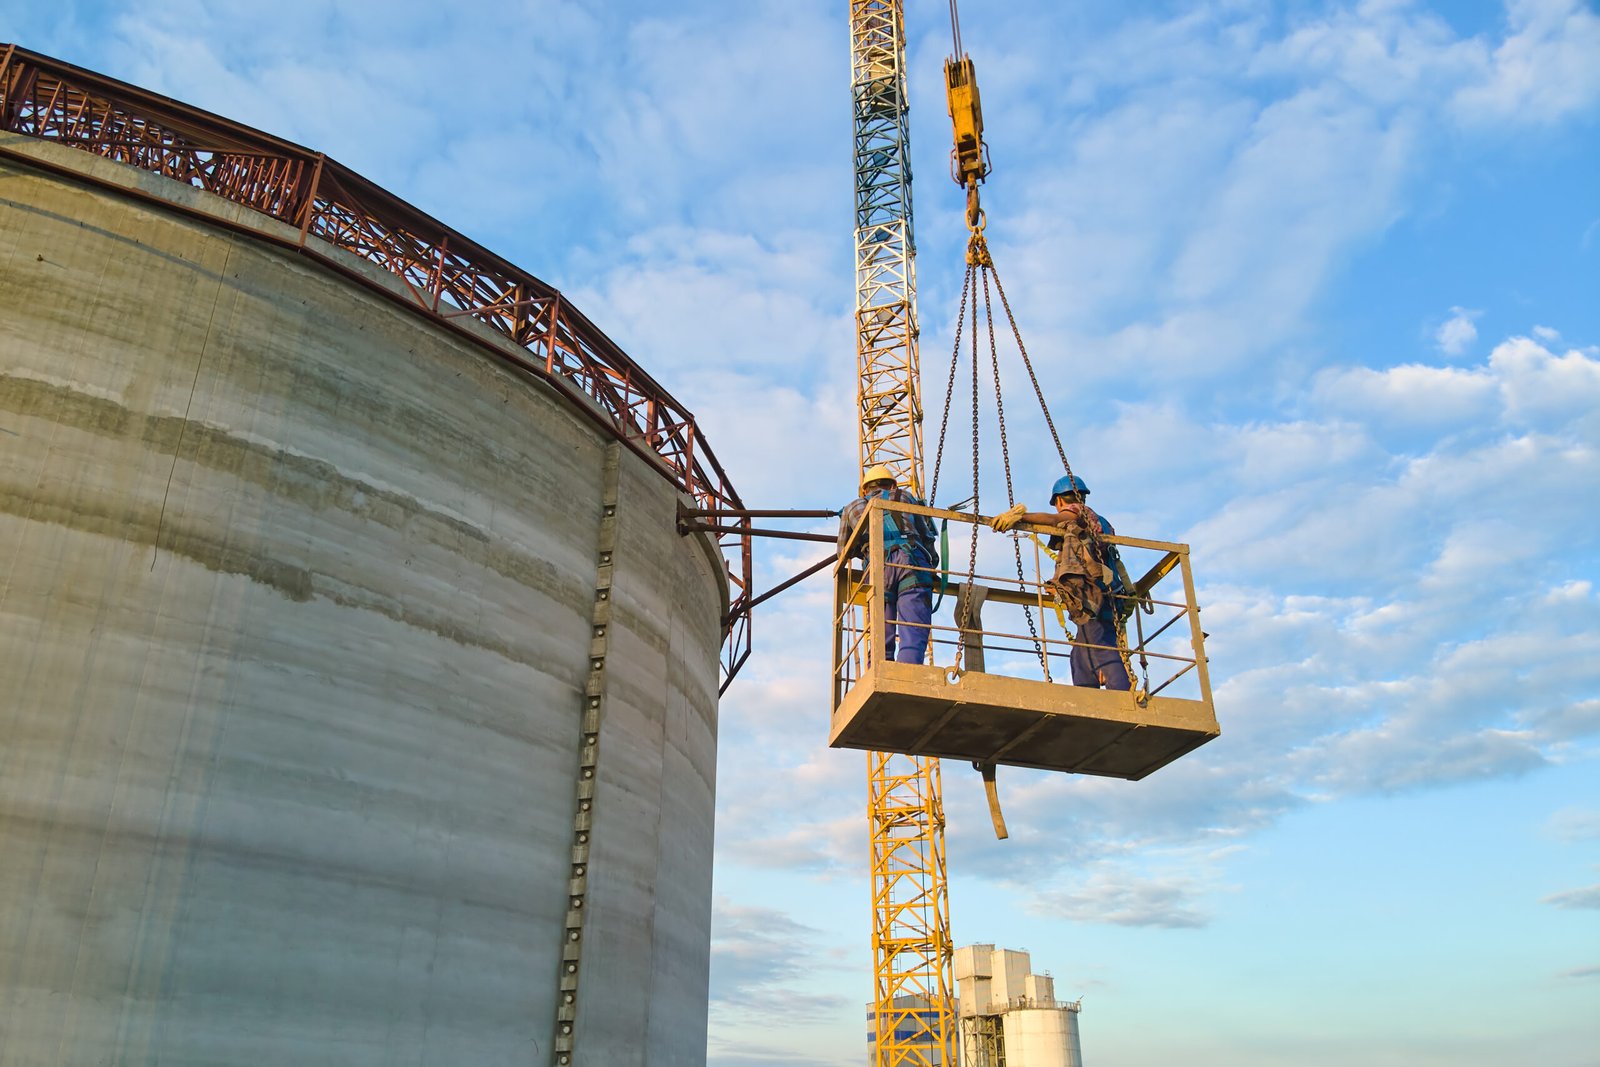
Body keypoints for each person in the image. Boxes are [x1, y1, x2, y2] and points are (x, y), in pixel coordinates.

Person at [991, 474, 1131, 691]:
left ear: (1058, 501)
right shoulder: (1100, 521)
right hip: (1102, 594)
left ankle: (1122, 697)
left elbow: (1055, 520)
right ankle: (1089, 698)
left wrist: (1020, 517)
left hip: (1097, 596)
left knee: (1101, 647)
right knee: (1080, 656)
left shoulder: (1078, 512)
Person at [838, 465, 940, 665]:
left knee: (880, 627)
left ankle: (878, 668)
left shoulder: (851, 507)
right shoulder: (906, 497)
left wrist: (862, 545)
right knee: (913, 626)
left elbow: (843, 553)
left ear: (864, 490)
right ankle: (908, 673)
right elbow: (926, 535)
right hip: (911, 561)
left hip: (877, 567)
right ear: (893, 485)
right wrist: (932, 566)